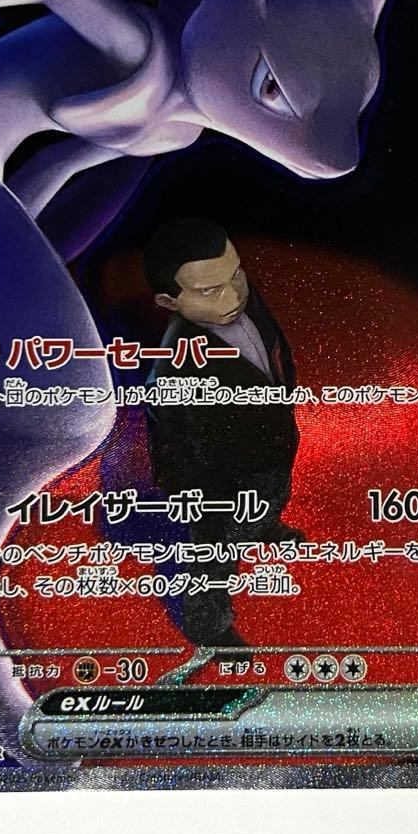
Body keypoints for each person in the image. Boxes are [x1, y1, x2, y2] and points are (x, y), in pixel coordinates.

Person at [142, 218, 303, 652]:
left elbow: (274, 348)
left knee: (274, 493)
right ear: (168, 301)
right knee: (213, 556)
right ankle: (208, 626)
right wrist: (200, 497)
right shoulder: (173, 367)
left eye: (235, 276)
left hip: (273, 445)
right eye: (210, 291)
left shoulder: (247, 299)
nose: (232, 297)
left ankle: (263, 525)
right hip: (219, 482)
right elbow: (172, 442)